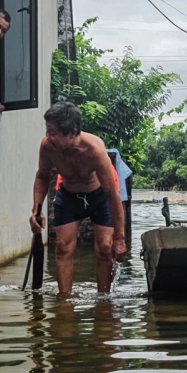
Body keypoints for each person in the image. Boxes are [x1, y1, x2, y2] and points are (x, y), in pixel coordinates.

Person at [30, 101, 127, 295]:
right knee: (62, 247)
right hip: (68, 196)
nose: (49, 137)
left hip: (99, 197)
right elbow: (42, 176)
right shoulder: (48, 146)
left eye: (53, 132)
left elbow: (112, 195)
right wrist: (36, 209)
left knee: (105, 248)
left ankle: (103, 299)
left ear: (72, 133)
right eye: (47, 131)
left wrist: (120, 237)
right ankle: (64, 301)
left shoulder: (94, 150)